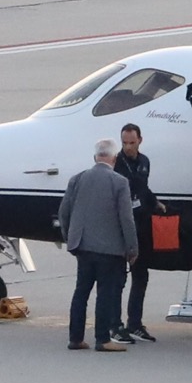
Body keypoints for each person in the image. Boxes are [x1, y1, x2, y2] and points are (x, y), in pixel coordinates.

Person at [59, 138, 139, 352]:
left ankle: (75, 338)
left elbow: (64, 212)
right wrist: (132, 248)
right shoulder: (120, 182)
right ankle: (102, 339)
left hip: (83, 246)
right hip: (109, 249)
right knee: (105, 294)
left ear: (95, 157)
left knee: (81, 292)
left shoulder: (77, 179)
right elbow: (126, 219)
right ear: (114, 158)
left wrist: (70, 238)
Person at [110, 124, 165, 344]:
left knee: (141, 275)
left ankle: (135, 323)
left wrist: (156, 204)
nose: (128, 147)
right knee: (118, 278)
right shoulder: (116, 164)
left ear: (140, 140)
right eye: (124, 143)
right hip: (121, 225)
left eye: (132, 143)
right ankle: (114, 324)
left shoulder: (144, 162)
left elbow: (143, 188)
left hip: (140, 224)